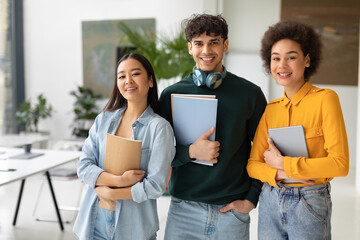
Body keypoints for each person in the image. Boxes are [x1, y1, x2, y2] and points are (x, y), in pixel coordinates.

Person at [159, 13, 267, 240]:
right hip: (183, 210)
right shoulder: (171, 95)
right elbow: (160, 155)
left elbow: (262, 151)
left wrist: (251, 199)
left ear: (225, 45)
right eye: (199, 43)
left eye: (214, 42)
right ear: (190, 48)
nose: (206, 51)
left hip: (231, 212)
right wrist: (190, 152)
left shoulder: (250, 94)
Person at [247, 20, 349, 240]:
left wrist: (285, 163)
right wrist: (280, 172)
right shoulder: (271, 110)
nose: (282, 65)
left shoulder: (326, 99)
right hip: (270, 198)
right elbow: (252, 165)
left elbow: (340, 165)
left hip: (309, 201)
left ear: (307, 60)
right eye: (276, 58)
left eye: (291, 57)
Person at [73, 53, 175, 240]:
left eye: (135, 74)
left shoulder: (159, 127)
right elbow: (83, 167)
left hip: (134, 229)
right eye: (121, 76)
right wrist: (119, 181)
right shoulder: (103, 120)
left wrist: (108, 191)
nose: (128, 80)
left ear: (150, 81)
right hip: (94, 224)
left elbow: (155, 186)